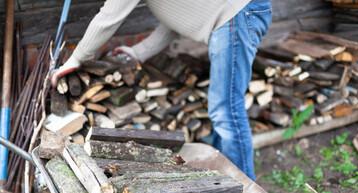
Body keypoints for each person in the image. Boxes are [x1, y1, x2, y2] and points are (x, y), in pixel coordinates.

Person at [52, 0, 272, 181]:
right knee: (223, 110)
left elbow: (108, 19)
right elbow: (177, 20)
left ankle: (244, 189)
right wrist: (139, 51)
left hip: (238, 14)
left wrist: (76, 59)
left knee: (226, 110)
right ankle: (224, 178)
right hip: (240, 15)